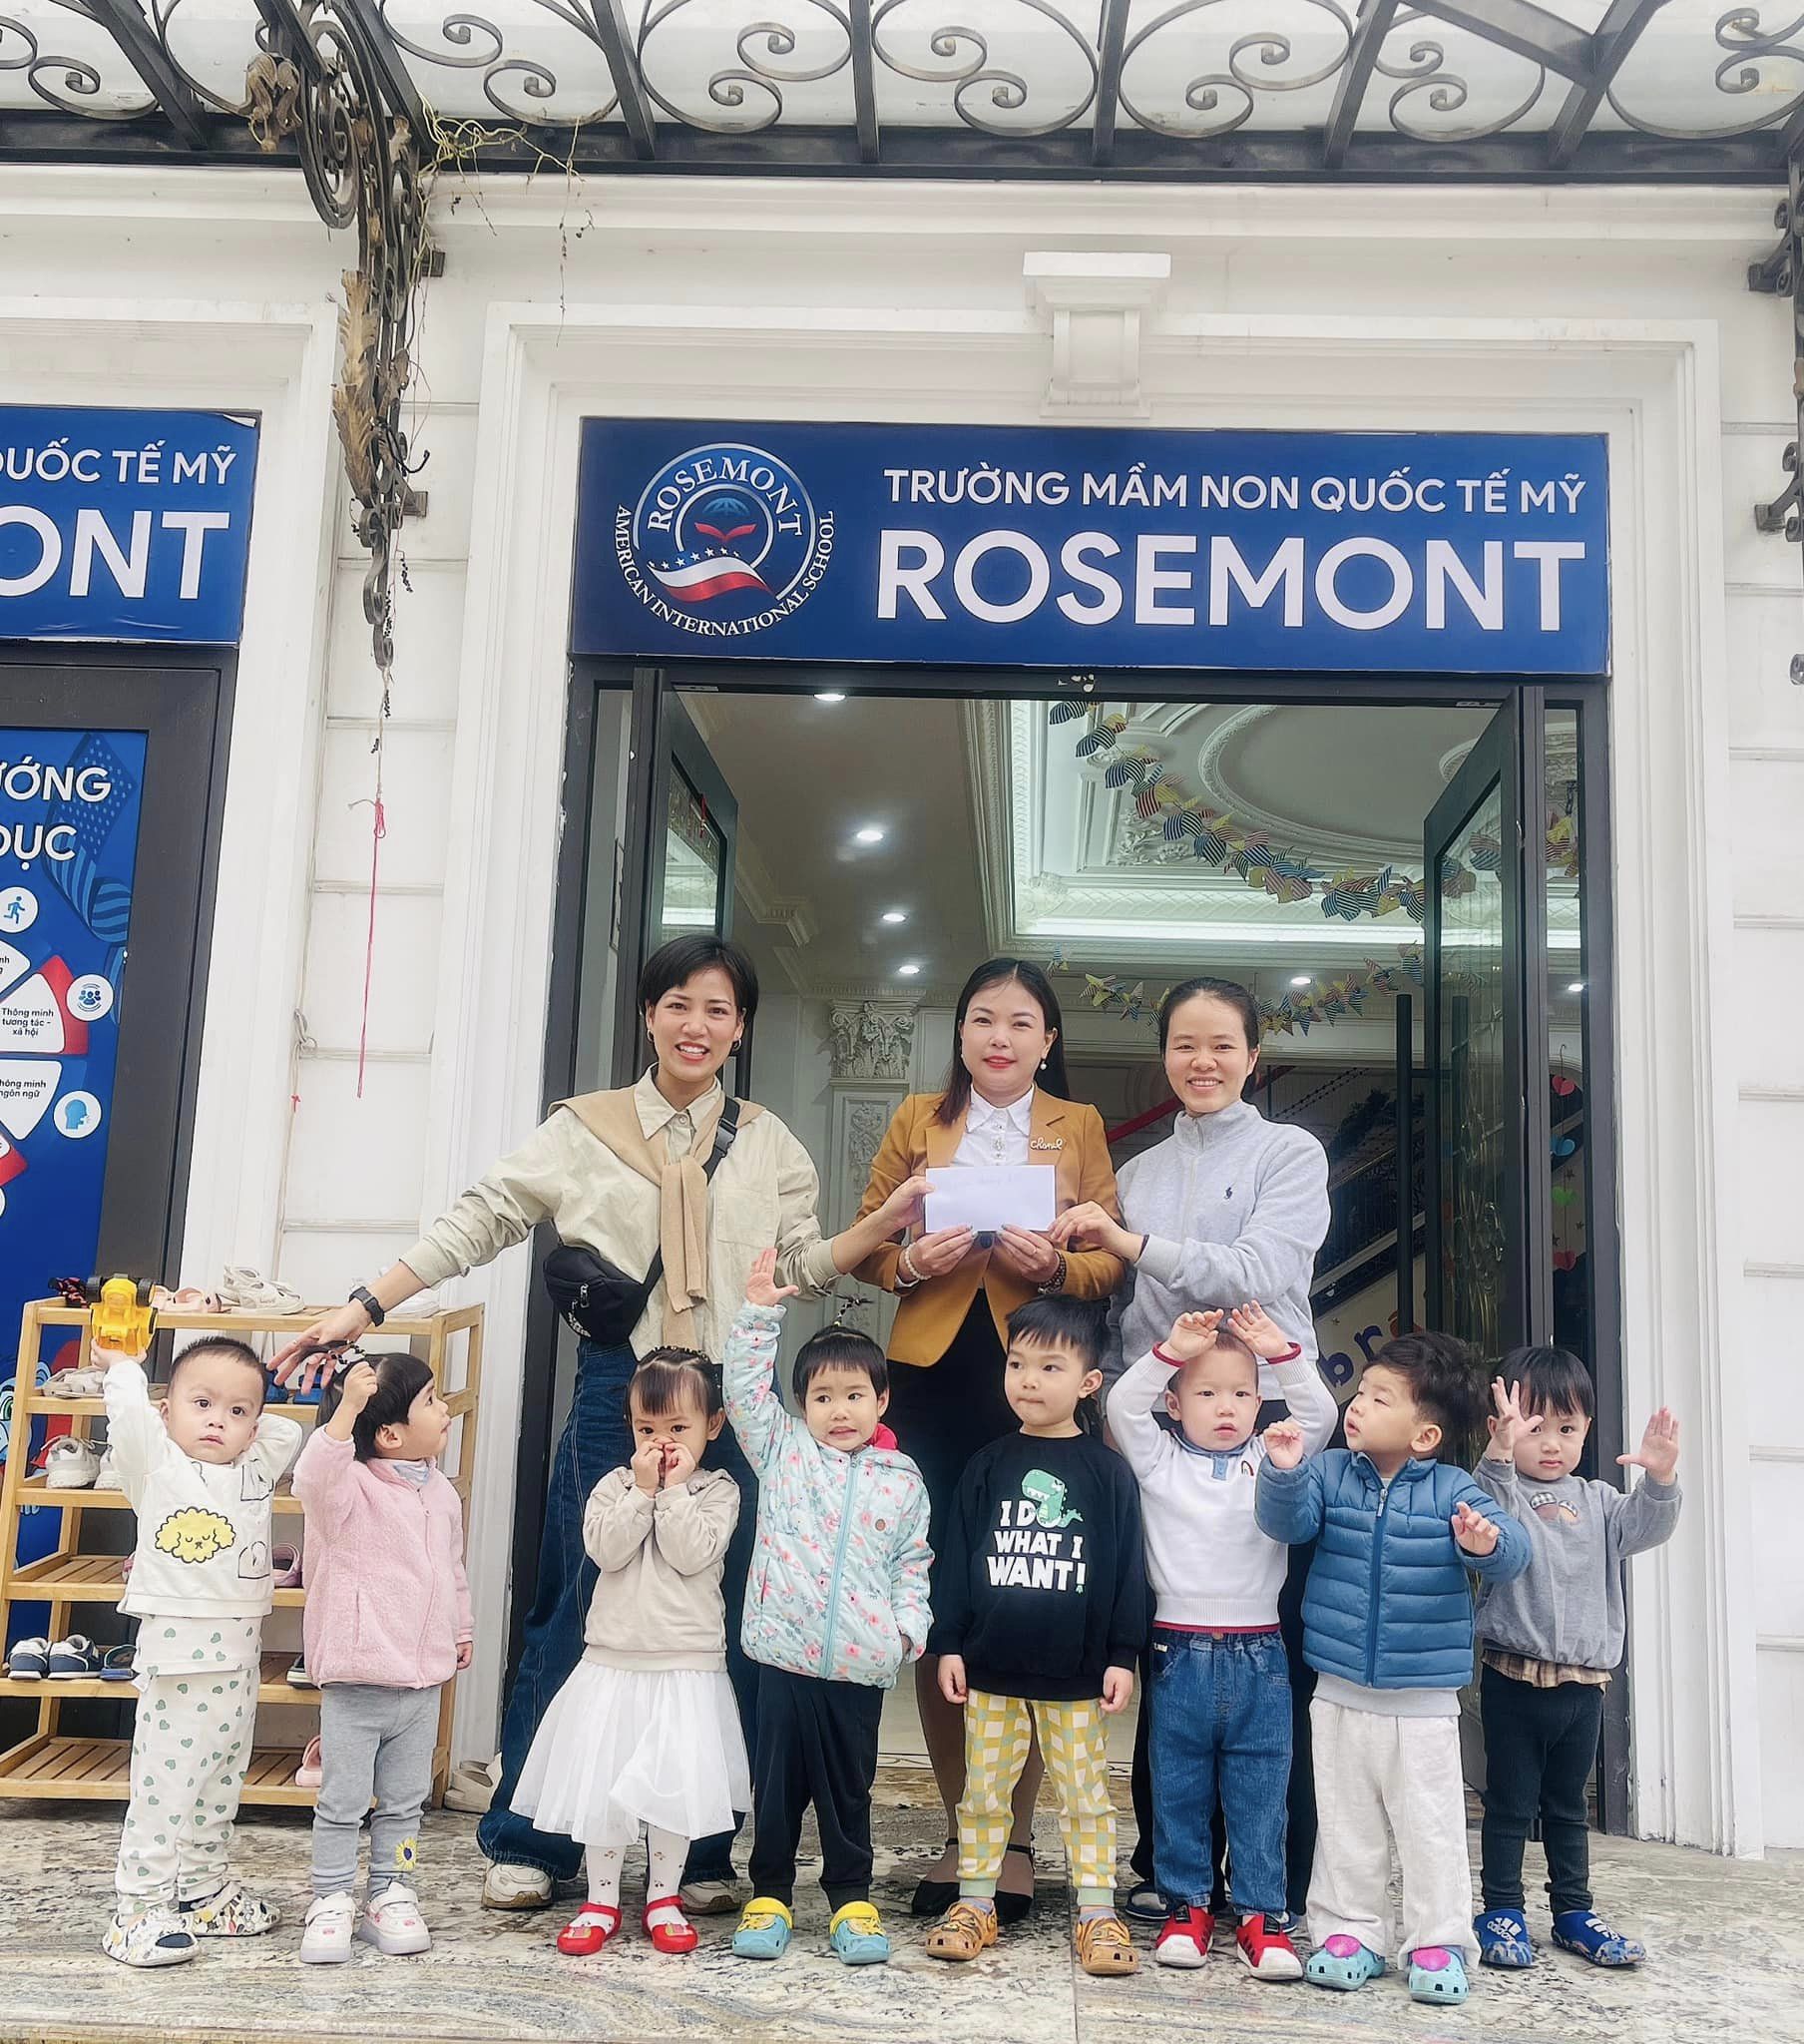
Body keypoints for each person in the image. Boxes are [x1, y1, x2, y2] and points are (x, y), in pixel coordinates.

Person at [272, 934, 927, 1914]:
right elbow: (481, 1218)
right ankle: (530, 1839)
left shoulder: (770, 1143)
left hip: (732, 1394)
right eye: (678, 1004)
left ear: (740, 1026)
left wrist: (885, 1225)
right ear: (648, 1015)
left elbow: (798, 1264)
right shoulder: (584, 1127)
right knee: (578, 1596)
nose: (695, 1024)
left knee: (729, 1610)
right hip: (622, 1386)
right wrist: (366, 1304)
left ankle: (696, 1850)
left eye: (716, 1008)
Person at [1051, 973, 1331, 1924]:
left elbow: (1258, 1272)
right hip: (1158, 1421)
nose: (1202, 1062)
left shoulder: (1290, 1153)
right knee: (1163, 1640)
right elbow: (1123, 1308)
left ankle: (1274, 1879)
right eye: (1184, 1045)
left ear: (1253, 1056)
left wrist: (1131, 1243)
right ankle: (1171, 1876)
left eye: (1221, 1045)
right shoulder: (1138, 1174)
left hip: (1267, 1419)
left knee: (1272, 1650)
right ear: (1164, 1055)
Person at [850, 957, 1125, 1919]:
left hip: (1035, 1378)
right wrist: (908, 1261)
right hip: (931, 1380)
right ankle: (963, 1831)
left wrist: (1055, 1265)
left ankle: (1013, 1840)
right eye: (981, 1019)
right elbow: (869, 1241)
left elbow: (1107, 1262)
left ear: (1048, 1039)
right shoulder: (916, 1120)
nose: (998, 1037)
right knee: (945, 1603)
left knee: (1028, 1590)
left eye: (1019, 1022)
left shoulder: (1078, 1125)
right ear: (961, 1033)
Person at [1255, 1332, 1531, 2007]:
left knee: (1430, 1828)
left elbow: (1514, 1552)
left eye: (1381, 1399)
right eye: (1361, 1392)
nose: (1358, 1406)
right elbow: (1287, 1526)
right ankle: (1350, 1933)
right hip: (1338, 1689)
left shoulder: (1454, 1490)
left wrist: (1485, 1544)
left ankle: (1439, 1940)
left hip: (1423, 1704)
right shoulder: (1329, 1471)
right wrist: (1284, 1471)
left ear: (1425, 1435)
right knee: (1344, 1823)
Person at [1110, 1301, 1336, 1979]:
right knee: (1179, 1786)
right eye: (1206, 1394)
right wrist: (1170, 1352)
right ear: (1175, 1405)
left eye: (1241, 1393)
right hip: (1176, 1651)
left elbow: (1321, 1415)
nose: (1226, 1407)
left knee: (1261, 1788)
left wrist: (1281, 1351)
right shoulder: (1158, 1461)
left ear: (1260, 1402)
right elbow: (1122, 1407)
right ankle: (1187, 1908)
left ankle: (1262, 1915)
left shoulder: (1273, 1456)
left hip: (1261, 1651)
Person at [922, 1297, 1146, 1979]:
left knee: (1085, 1795)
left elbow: (1125, 1569)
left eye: (1050, 1366)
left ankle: (1096, 1912)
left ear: (1088, 1382)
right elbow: (958, 1560)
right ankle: (975, 1902)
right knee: (983, 1793)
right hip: (991, 1668)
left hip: (1075, 1673)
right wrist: (950, 1641)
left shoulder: (1108, 1473)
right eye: (1017, 1363)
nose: (1028, 1379)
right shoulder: (987, 1465)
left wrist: (1122, 1654)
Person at [721, 1251, 933, 1967]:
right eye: (821, 1397)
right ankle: (770, 1896)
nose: (838, 1411)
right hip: (784, 1659)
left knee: (849, 1792)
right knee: (777, 1789)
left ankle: (851, 1900)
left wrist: (906, 1631)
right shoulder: (782, 1452)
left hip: (859, 1666)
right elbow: (745, 1392)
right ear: (801, 1405)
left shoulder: (903, 1480)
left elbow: (912, 1563)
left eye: (853, 1395)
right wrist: (759, 1316)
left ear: (882, 1401)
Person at [509, 1349, 746, 1957]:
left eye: (679, 1428)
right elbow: (606, 1551)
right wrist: (643, 1492)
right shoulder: (614, 1486)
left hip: (686, 1664)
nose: (662, 1442)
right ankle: (601, 1899)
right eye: (647, 1428)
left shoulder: (718, 1491)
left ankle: (663, 1897)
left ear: (713, 1425)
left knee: (672, 1787)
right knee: (604, 1785)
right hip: (612, 1661)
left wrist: (672, 1493)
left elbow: (693, 1553)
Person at [1471, 1351, 1682, 1970]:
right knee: (1509, 1805)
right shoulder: (1504, 1491)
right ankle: (1501, 1910)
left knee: (1568, 1807)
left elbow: (1647, 1527)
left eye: (1567, 1428)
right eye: (1534, 1427)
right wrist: (1499, 1453)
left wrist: (1661, 1478)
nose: (1552, 1444)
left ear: (1587, 1429)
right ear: (1504, 1427)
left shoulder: (1601, 1502)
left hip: (1583, 1687)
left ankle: (1572, 1912)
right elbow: (1485, 1508)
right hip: (1512, 1676)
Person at [99, 1335, 303, 1967]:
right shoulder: (157, 1466)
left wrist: (251, 1416)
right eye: (202, 1404)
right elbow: (129, 1421)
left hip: (239, 1656)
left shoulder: (252, 1471)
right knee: (166, 1786)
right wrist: (125, 1368)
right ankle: (138, 1908)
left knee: (220, 1780)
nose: (218, 1420)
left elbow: (286, 1433)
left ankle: (201, 1890)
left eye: (237, 1411)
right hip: (179, 1659)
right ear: (166, 1412)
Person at [292, 1354, 473, 1964]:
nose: (444, 1410)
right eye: (431, 1401)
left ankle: (392, 1891)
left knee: (404, 1802)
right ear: (391, 1435)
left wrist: (460, 1628)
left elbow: (451, 1568)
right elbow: (312, 1476)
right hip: (358, 1681)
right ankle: (330, 1898)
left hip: (421, 1685)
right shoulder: (346, 1489)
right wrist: (347, 1408)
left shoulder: (440, 1492)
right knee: (342, 1802)